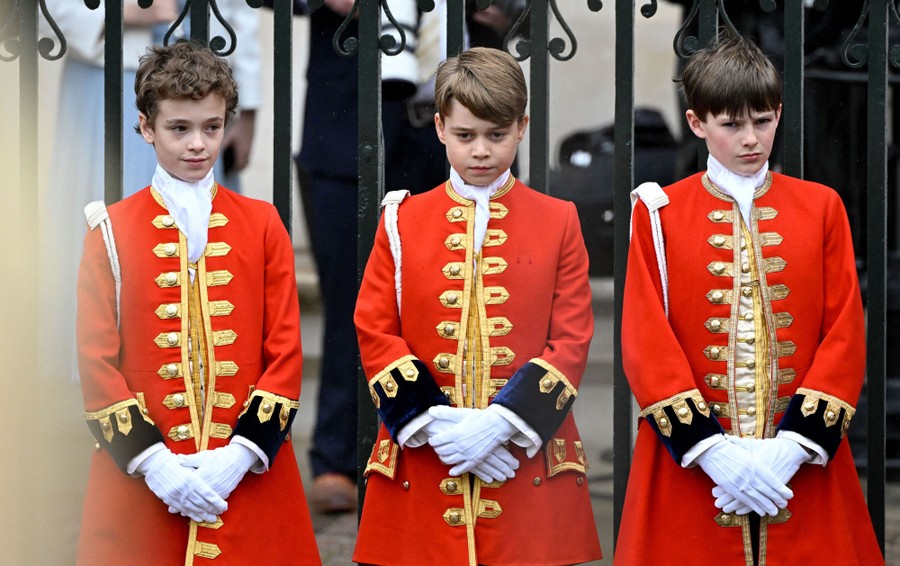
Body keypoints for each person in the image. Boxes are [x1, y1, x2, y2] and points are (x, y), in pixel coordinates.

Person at [616, 34, 882, 564]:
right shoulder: (659, 215)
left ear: (779, 114)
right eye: (731, 124)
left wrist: (794, 446)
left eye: (762, 120)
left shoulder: (822, 207)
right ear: (697, 123)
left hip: (802, 467)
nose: (750, 139)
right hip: (692, 467)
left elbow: (845, 330)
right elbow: (646, 339)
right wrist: (712, 453)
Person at [352, 46, 603, 565]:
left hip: (523, 460)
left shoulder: (558, 219)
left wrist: (499, 426)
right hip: (424, 456)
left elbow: (572, 337)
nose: (481, 151)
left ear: (522, 127)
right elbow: (375, 326)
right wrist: (440, 426)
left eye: (497, 135)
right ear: (440, 128)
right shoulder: (402, 219)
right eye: (465, 136)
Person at [74, 41, 320, 565]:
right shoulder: (111, 232)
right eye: (178, 128)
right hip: (145, 483)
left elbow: (285, 350)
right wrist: (152, 462)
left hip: (247, 476)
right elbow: (95, 360)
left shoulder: (263, 223)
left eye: (211, 127)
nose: (197, 144)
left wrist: (241, 455)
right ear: (146, 128)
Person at [38, 0, 260, 385]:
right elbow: (46, 8)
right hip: (108, 70)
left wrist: (250, 104)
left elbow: (240, 9)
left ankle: (199, 374)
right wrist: (120, 11)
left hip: (205, 78)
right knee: (111, 230)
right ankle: (102, 384)